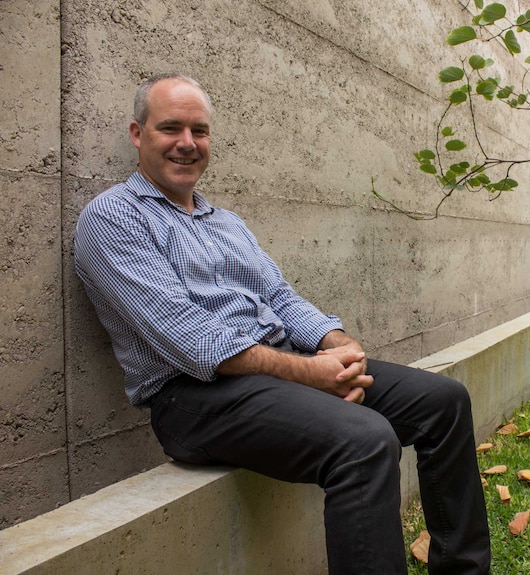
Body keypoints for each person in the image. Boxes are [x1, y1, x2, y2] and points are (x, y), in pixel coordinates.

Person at [74, 73, 491, 574]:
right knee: (365, 440)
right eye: (171, 128)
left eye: (199, 131)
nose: (187, 143)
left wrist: (339, 346)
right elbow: (192, 339)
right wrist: (313, 375)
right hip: (192, 399)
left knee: (443, 403)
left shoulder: (226, 222)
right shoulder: (113, 217)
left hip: (277, 374)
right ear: (138, 134)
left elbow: (279, 297)